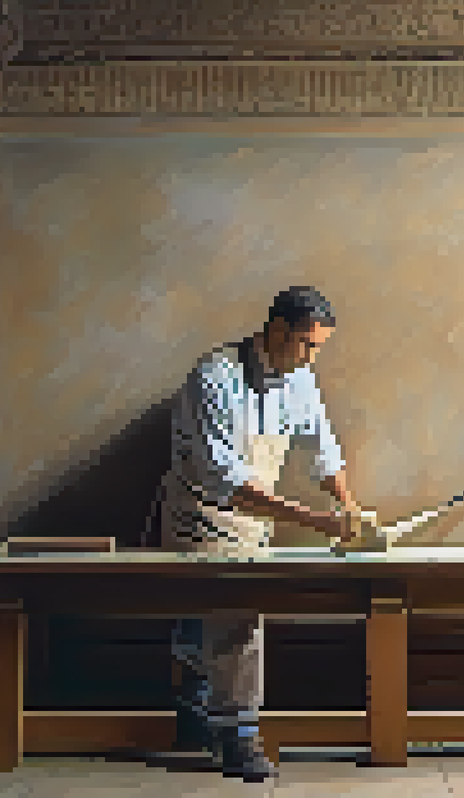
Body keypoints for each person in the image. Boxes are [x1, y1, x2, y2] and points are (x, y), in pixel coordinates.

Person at [152, 286, 370, 782]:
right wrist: (317, 522)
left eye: (318, 347)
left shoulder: (299, 379)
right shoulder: (214, 377)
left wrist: (349, 506)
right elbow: (223, 480)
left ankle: (198, 701)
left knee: (211, 628)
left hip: (254, 520)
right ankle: (239, 736)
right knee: (236, 610)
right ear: (276, 330)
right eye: (307, 344)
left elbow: (324, 449)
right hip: (202, 517)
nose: (312, 356)